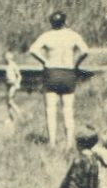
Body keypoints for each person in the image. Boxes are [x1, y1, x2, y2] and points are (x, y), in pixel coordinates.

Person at [28, 10, 89, 148]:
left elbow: (33, 50)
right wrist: (76, 63)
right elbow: (85, 51)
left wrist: (44, 61)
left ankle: (52, 143)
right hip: (68, 72)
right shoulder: (73, 35)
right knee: (68, 109)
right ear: (65, 21)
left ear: (51, 22)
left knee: (51, 110)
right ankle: (69, 144)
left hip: (52, 71)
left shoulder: (47, 36)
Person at [2, 51, 22, 125]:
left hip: (13, 84)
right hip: (8, 84)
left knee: (10, 101)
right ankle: (11, 118)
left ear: (11, 56)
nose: (6, 57)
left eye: (8, 56)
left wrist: (18, 83)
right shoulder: (6, 65)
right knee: (8, 103)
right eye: (5, 56)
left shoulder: (13, 65)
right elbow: (7, 75)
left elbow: (19, 76)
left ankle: (20, 114)